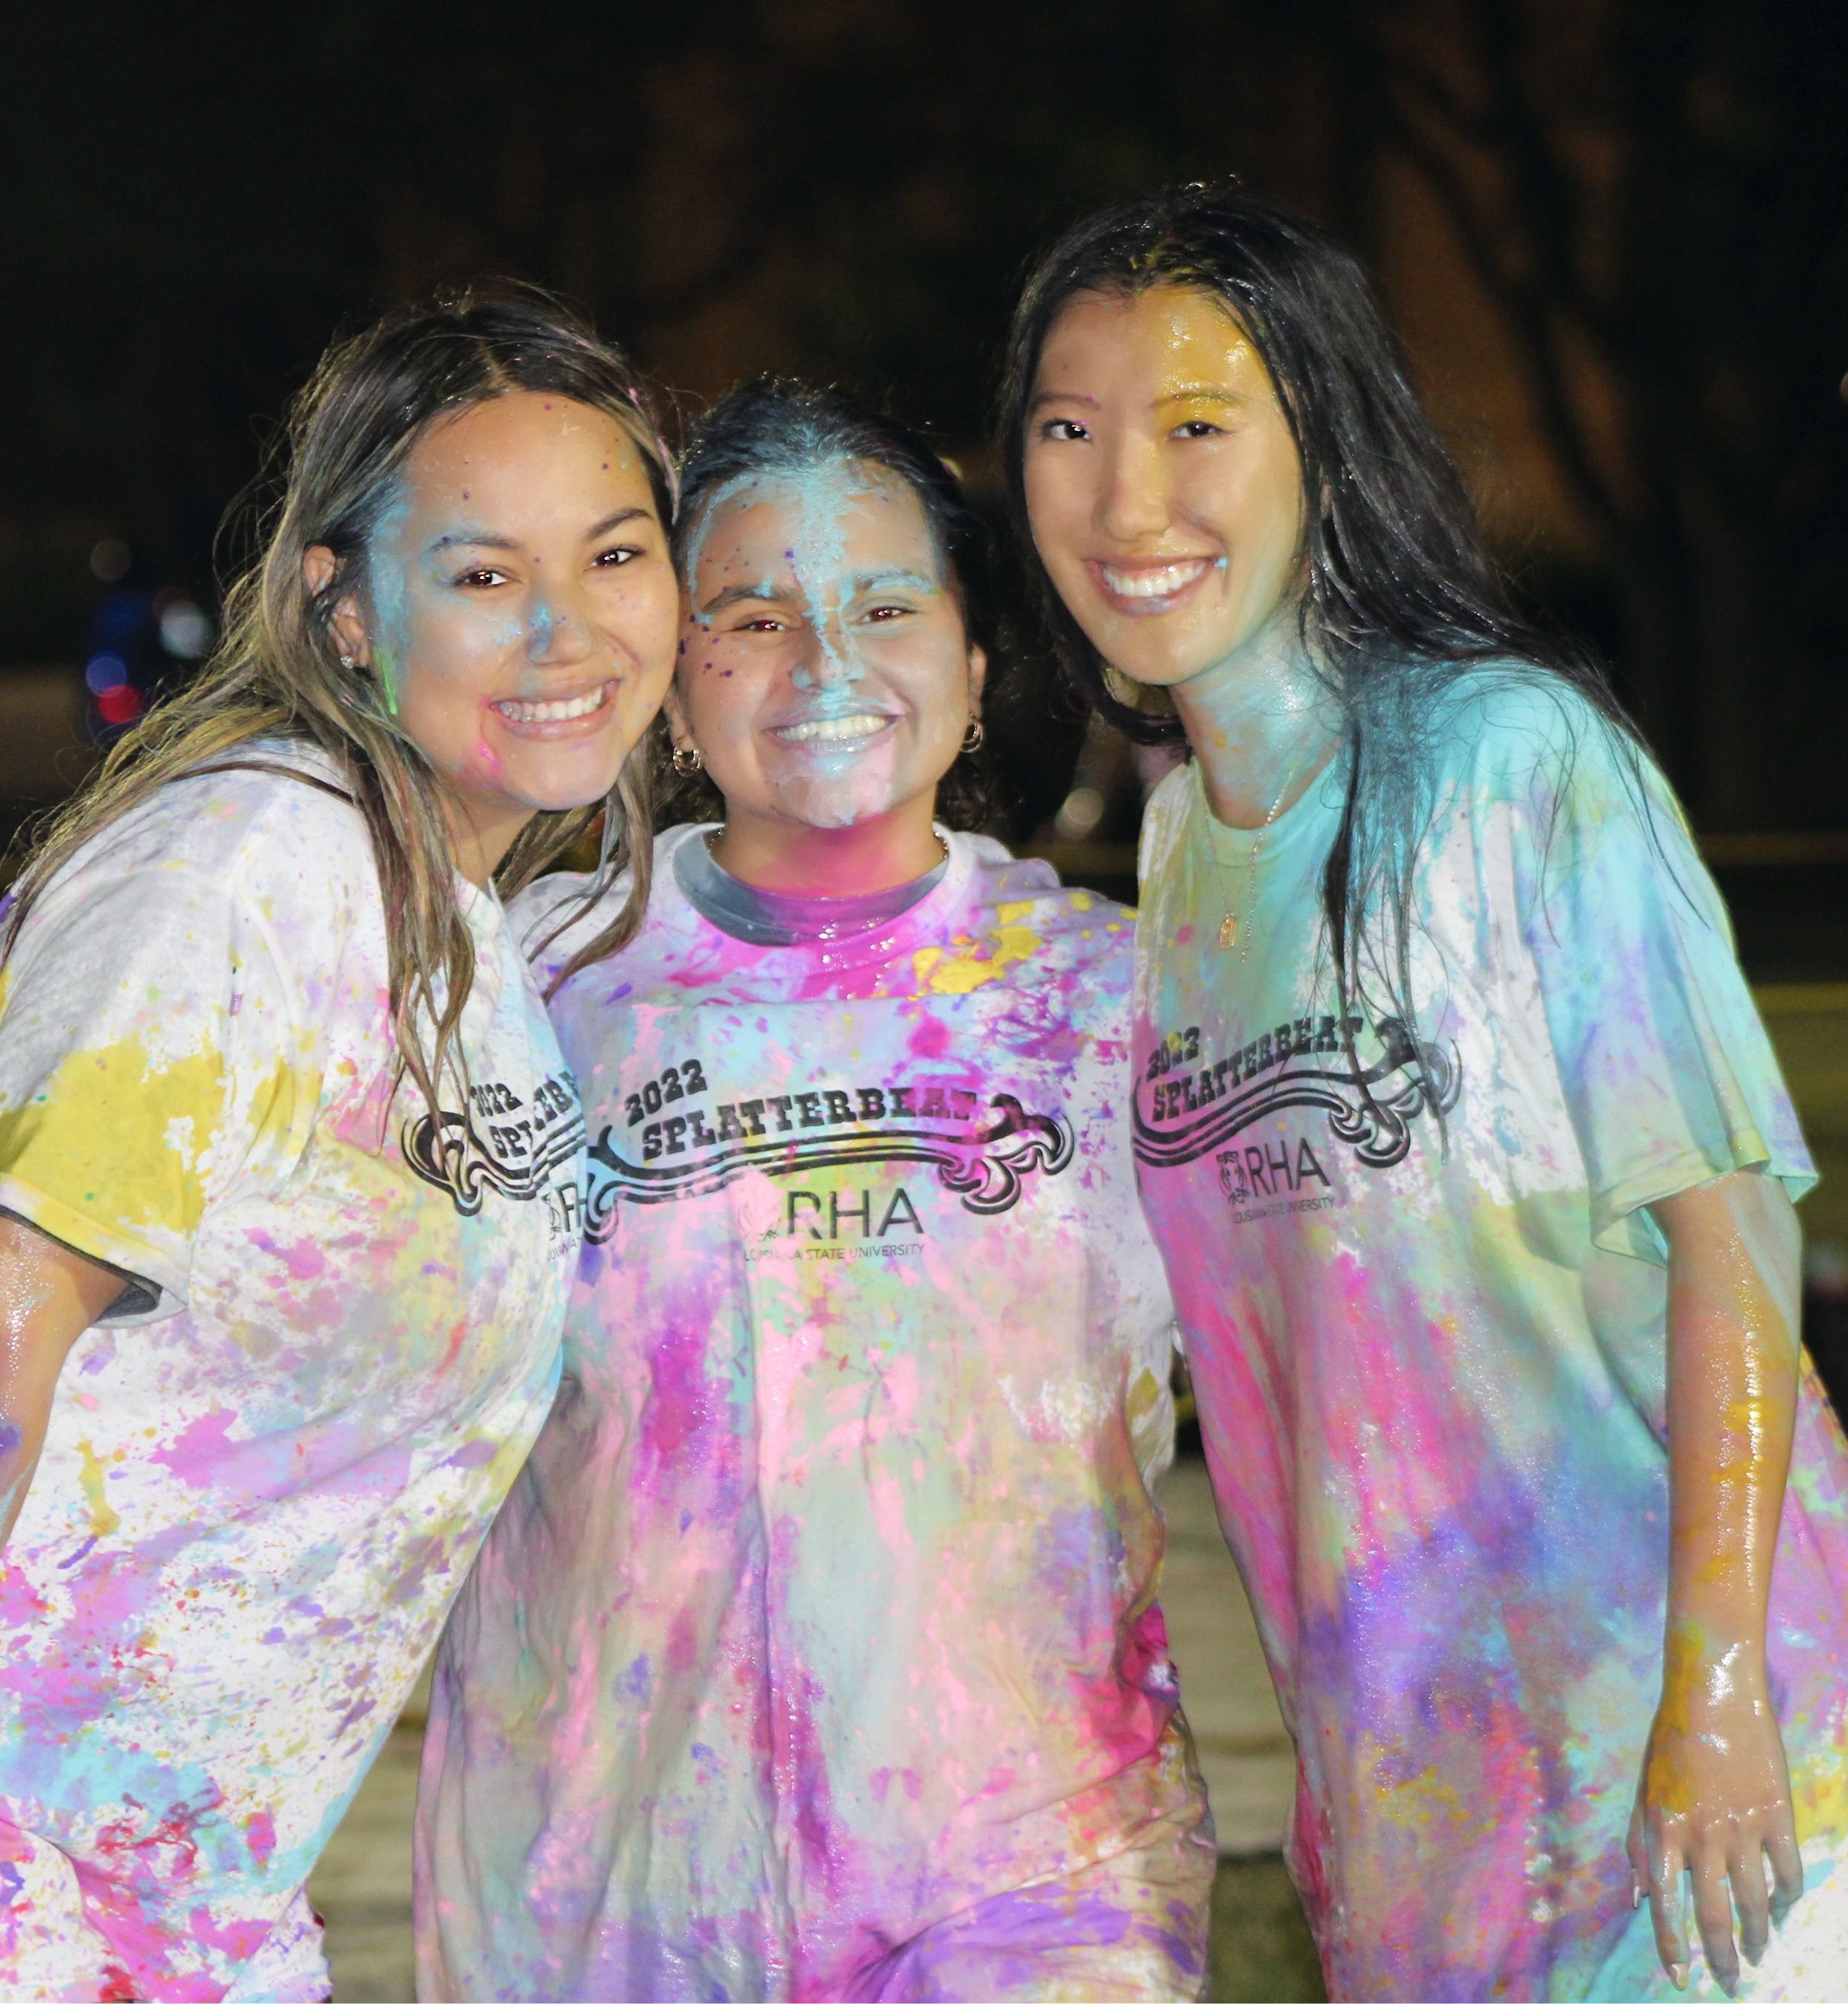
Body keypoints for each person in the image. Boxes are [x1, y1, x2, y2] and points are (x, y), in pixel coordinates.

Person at [0, 285, 683, 2003]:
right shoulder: (239, 875)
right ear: (344, 614)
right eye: (483, 574)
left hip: (155, 1849)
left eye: (615, 556)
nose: (566, 629)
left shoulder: (462, 924)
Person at [1000, 184, 1848, 2002]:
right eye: (1066, 427)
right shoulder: (1181, 852)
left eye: (1197, 424)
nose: (1125, 499)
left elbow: (1724, 1225)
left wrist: (1717, 1683)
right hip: (1427, 1819)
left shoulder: (1510, 760)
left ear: (1323, 448)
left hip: (1711, 1771)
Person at [418, 379, 1215, 2003]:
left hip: (1034, 1886)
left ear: (976, 664)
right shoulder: (526, 991)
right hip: (604, 1897)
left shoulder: (1123, 1000)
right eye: (754, 615)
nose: (827, 664)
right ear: (666, 671)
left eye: (883, 605)